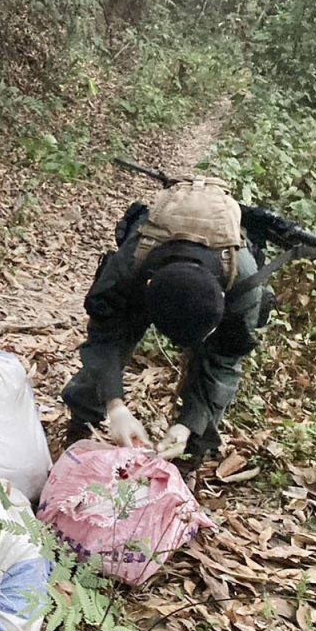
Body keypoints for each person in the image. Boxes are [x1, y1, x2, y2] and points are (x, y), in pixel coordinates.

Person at [62, 176, 269, 471]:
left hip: (215, 285)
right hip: (145, 277)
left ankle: (190, 453)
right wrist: (115, 406)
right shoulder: (131, 263)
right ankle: (81, 422)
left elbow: (224, 361)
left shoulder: (243, 279)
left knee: (216, 375)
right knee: (111, 350)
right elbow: (104, 338)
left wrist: (188, 425)